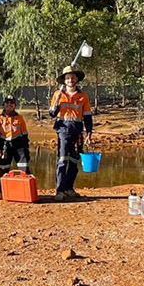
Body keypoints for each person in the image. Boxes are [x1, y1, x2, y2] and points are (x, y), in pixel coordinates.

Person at [49, 66, 93, 201]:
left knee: (74, 161)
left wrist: (89, 133)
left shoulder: (83, 96)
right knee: (62, 160)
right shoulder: (58, 94)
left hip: (77, 132)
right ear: (64, 80)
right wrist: (56, 104)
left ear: (77, 79)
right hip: (63, 131)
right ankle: (60, 190)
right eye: (67, 78)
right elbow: (52, 114)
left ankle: (69, 188)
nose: (70, 80)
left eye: (73, 78)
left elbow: (87, 116)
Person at [0, 96, 30, 200]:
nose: (9, 105)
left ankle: (25, 192)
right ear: (4, 105)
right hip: (4, 146)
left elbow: (25, 133)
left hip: (19, 146)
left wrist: (26, 148)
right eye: (7, 103)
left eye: (11, 103)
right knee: (4, 170)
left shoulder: (20, 118)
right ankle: (0, 191)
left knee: (24, 169)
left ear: (15, 105)